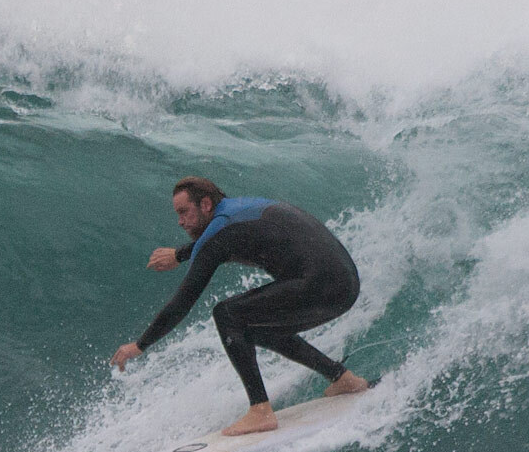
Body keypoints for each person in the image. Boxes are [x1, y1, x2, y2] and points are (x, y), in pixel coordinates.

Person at [109, 177, 369, 435]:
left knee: (227, 314)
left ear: (206, 204)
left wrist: (140, 345)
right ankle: (343, 379)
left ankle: (260, 411)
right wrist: (180, 254)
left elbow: (182, 303)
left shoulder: (219, 234)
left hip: (320, 285)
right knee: (257, 328)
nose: (180, 221)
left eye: (184, 212)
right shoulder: (236, 210)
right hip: (344, 284)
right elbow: (224, 237)